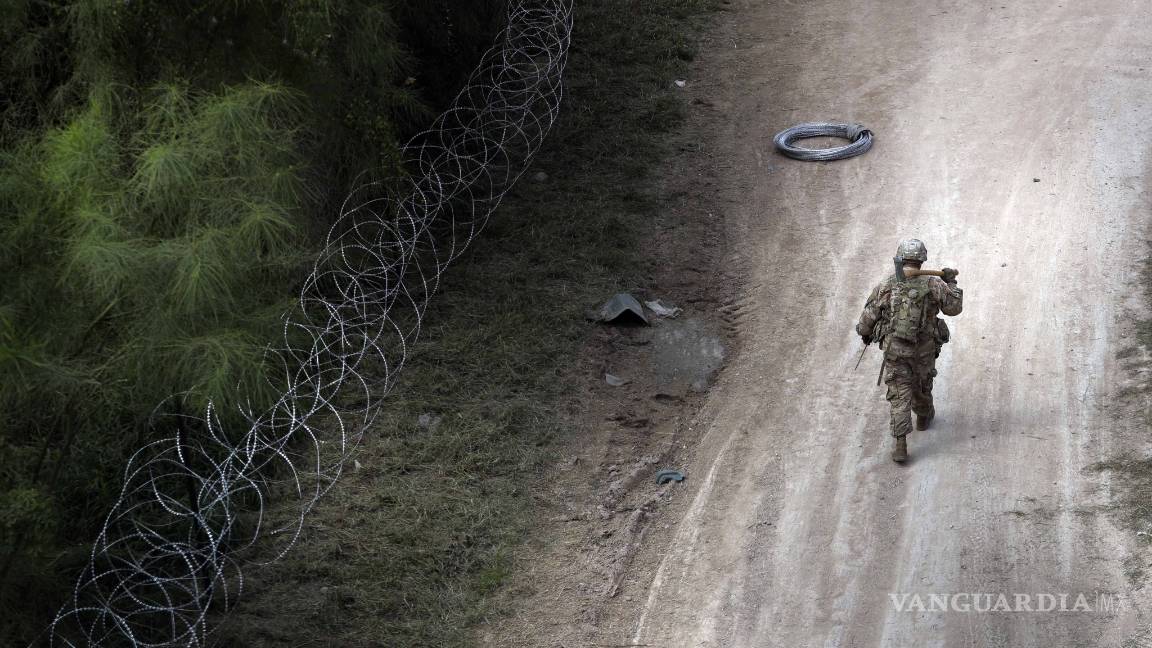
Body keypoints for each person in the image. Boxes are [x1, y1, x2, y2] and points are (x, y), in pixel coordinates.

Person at [855, 239, 962, 463]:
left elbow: (867, 319)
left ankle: (900, 444)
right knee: (922, 385)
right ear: (922, 260)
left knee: (899, 393)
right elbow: (953, 308)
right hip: (924, 351)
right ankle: (923, 415)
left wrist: (864, 332)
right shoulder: (934, 284)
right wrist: (951, 282)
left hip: (896, 352)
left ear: (900, 259)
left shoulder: (888, 284)